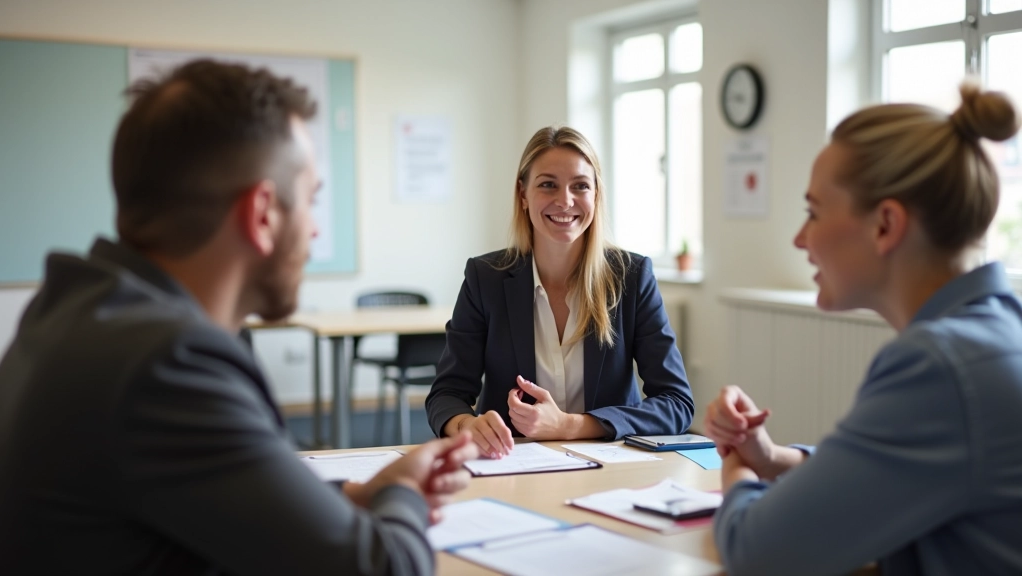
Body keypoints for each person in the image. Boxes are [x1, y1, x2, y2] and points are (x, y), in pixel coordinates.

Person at [0, 60, 477, 575]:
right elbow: (384, 568)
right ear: (263, 213)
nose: (315, 230)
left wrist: (359, 496)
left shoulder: (76, 313)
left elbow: (209, 503)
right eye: (311, 200)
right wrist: (403, 494)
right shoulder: (169, 365)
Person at [705, 83, 1022, 575]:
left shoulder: (939, 366)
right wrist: (771, 458)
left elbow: (757, 551)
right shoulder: (996, 331)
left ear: (885, 225)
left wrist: (737, 471)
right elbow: (894, 473)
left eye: (813, 212)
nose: (800, 239)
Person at [425, 125, 695, 459]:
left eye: (580, 186)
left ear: (596, 195)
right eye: (548, 185)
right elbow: (446, 394)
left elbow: (676, 403)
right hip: (511, 465)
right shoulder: (485, 278)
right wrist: (468, 425)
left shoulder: (632, 277)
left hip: (610, 468)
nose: (565, 201)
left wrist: (570, 425)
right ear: (523, 194)